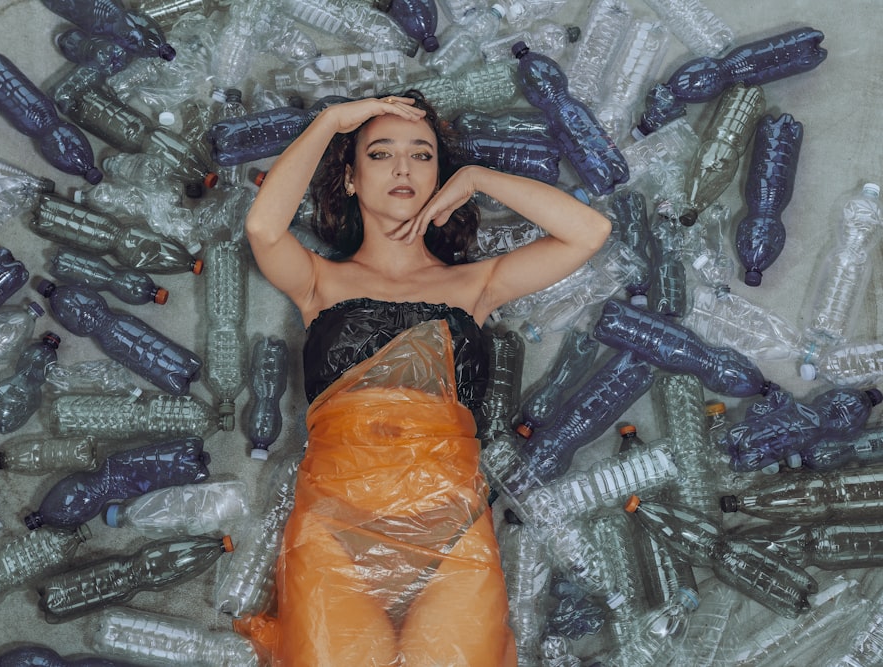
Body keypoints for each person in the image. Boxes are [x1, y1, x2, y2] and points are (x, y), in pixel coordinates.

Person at [237, 91, 612, 667]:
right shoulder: (319, 282)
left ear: (440, 173)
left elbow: (588, 231)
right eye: (381, 154)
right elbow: (263, 226)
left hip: (451, 530)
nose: (405, 167)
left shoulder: (475, 286)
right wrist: (332, 121)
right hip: (336, 526)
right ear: (351, 178)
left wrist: (480, 178)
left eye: (423, 154)